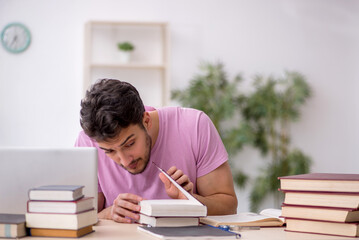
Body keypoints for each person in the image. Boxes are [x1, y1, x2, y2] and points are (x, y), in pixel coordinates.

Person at [75, 78, 238, 223]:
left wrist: (191, 201)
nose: (124, 161)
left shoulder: (194, 126)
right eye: (109, 151)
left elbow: (228, 207)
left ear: (146, 120)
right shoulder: (87, 143)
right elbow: (82, 218)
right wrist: (109, 214)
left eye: (130, 144)